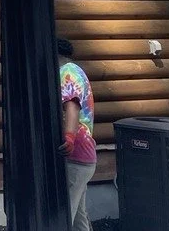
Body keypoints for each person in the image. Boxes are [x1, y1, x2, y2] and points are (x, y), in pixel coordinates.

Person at [58, 38, 96, 231]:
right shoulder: (78, 70)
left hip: (75, 155)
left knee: (65, 214)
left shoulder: (66, 72)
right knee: (79, 215)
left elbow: (72, 105)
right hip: (86, 157)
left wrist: (69, 137)